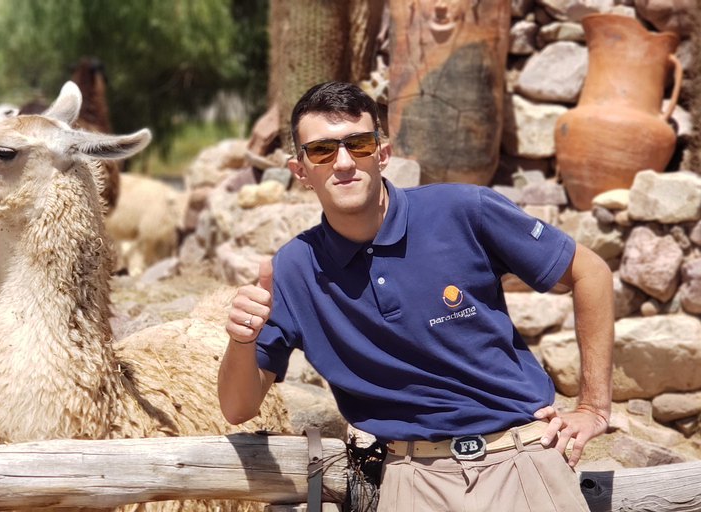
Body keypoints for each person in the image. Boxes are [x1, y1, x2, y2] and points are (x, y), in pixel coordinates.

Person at [217, 81, 614, 511]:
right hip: (410, 481)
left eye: (360, 144)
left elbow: (590, 272)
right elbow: (239, 408)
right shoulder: (294, 269)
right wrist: (241, 339)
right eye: (322, 151)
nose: (345, 163)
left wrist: (593, 406)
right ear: (300, 172)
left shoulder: (464, 209)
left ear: (382, 155)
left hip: (522, 462)